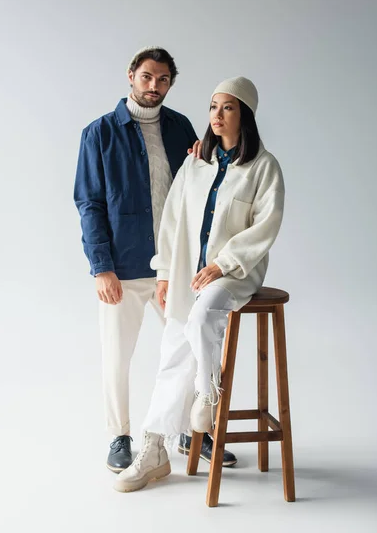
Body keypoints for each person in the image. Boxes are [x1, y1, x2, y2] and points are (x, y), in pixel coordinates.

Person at [114, 76, 285, 493]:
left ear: (244, 114)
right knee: (172, 349)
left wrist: (223, 264)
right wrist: (166, 273)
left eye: (227, 107)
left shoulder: (264, 168)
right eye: (212, 107)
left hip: (236, 274)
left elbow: (266, 226)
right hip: (188, 270)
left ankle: (207, 396)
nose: (217, 115)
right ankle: (154, 448)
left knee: (205, 312)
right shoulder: (196, 162)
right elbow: (172, 220)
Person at [74, 47, 237, 474]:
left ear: (170, 84)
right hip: (123, 267)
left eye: (162, 79)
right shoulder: (100, 133)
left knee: (191, 349)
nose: (154, 86)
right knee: (117, 356)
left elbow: (203, 187)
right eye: (147, 76)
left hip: (175, 266)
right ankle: (120, 436)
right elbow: (89, 203)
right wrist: (101, 267)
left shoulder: (181, 127)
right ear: (131, 75)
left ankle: (188, 432)